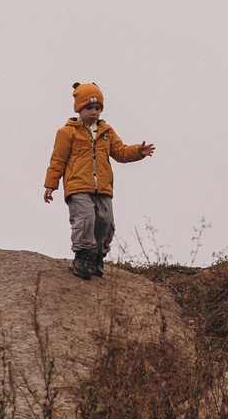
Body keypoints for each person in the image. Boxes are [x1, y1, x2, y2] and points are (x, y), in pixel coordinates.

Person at [41, 81, 157, 280]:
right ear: (79, 109)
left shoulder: (107, 132)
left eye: (97, 108)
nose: (93, 112)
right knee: (85, 219)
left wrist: (138, 151)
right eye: (88, 108)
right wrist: (51, 185)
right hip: (78, 186)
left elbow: (120, 152)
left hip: (102, 187)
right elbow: (58, 160)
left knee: (105, 222)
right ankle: (82, 257)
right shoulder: (67, 132)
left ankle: (97, 257)